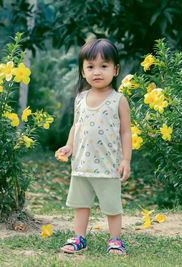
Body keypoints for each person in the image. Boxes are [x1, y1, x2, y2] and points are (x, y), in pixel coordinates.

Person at [55, 39, 132, 255]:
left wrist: (126, 160)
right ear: (83, 70)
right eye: (90, 66)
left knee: (112, 206)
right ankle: (80, 238)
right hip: (81, 163)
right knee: (81, 204)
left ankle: (115, 240)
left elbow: (126, 132)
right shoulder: (80, 98)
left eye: (104, 66)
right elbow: (76, 125)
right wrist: (69, 146)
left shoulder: (118, 100)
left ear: (115, 70)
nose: (97, 72)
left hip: (108, 165)